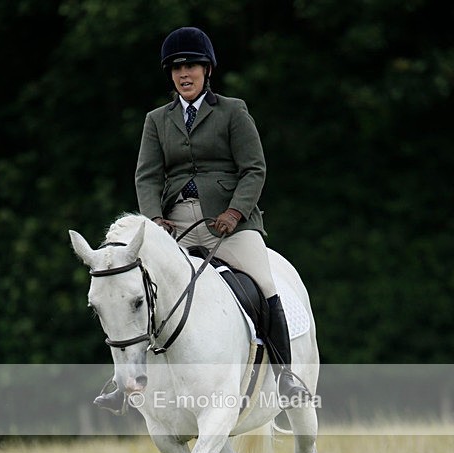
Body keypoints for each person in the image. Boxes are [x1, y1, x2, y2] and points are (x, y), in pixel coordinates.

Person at [95, 26, 310, 412]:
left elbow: (254, 169)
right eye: (177, 68)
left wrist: (235, 211)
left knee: (265, 285)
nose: (184, 74)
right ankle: (120, 382)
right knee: (135, 289)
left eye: (191, 65)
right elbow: (146, 176)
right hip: (175, 224)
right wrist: (155, 219)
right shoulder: (157, 120)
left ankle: (285, 378)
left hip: (231, 224)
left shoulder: (232, 111)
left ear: (207, 69)